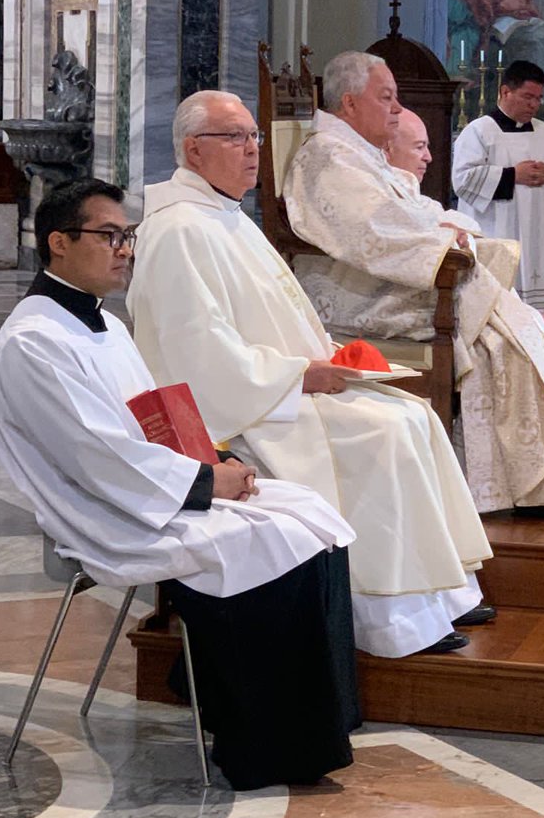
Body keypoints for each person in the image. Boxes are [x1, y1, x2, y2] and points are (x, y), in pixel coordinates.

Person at [0, 178, 359, 792]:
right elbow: (99, 461)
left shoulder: (106, 326)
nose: (124, 248)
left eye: (127, 236)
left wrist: (215, 460)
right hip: (107, 515)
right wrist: (209, 484)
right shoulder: (32, 345)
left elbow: (148, 424)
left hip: (155, 489)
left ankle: (283, 715)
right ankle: (263, 742)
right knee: (271, 541)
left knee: (311, 514)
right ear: (58, 243)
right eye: (109, 235)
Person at [126, 91, 496, 661]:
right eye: (235, 138)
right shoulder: (178, 230)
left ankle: (436, 594)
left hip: (280, 386)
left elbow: (275, 313)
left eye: (254, 136)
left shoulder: (225, 215)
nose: (253, 150)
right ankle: (389, 619)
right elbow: (195, 354)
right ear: (193, 150)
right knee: (384, 433)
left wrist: (329, 356)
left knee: (414, 414)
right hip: (244, 410)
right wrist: (303, 374)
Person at [283, 51, 544, 521]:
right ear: (350, 104)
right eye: (387, 97)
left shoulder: (355, 151)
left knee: (525, 333)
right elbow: (369, 228)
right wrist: (445, 242)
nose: (396, 110)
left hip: (393, 278)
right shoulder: (329, 155)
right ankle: (537, 485)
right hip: (364, 292)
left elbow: (408, 209)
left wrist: (448, 228)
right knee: (507, 342)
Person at [452, 59, 544, 311]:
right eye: (528, 96)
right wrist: (513, 174)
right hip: (495, 229)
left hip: (536, 231)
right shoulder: (479, 131)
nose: (534, 104)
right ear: (505, 92)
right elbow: (462, 179)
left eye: (538, 98)